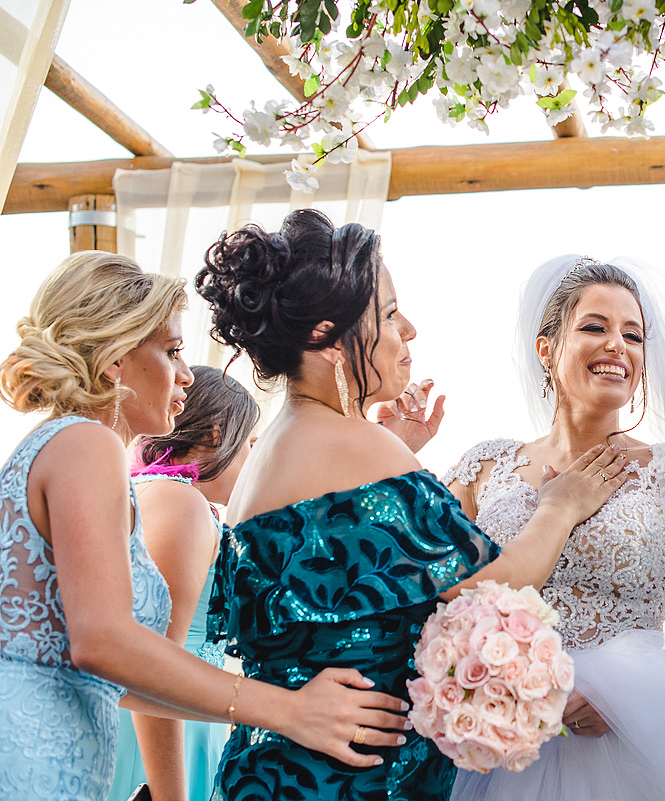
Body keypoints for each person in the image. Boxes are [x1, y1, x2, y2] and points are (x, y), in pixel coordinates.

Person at [195, 210, 631, 801]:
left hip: (276, 769)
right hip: (346, 778)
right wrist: (561, 504)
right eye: (390, 313)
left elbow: (329, 570)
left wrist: (394, 448)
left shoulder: (284, 439)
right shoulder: (354, 442)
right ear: (329, 341)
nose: (411, 329)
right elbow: (494, 583)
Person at [0, 252, 410, 801]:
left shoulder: (61, 448)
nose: (188, 375)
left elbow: (117, 678)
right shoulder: (85, 443)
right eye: (172, 352)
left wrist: (275, 706)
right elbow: (102, 643)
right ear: (116, 359)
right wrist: (290, 711)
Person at [445, 256, 665, 801]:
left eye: (634, 335)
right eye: (594, 327)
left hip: (628, 756)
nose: (618, 345)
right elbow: (436, 602)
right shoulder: (484, 467)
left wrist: (629, 698)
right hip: (501, 754)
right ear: (546, 350)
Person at [107, 366, 262, 801]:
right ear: (216, 434)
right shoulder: (180, 503)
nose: (254, 459)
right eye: (250, 443)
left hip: (183, 726)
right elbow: (153, 668)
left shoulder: (155, 493)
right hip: (158, 742)